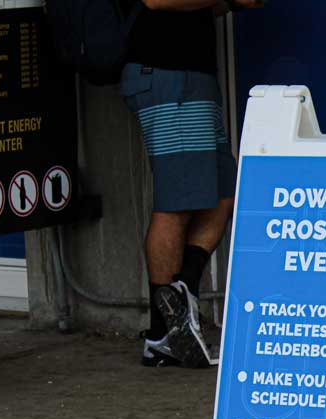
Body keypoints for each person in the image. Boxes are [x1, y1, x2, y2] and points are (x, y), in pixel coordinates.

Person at [120, 0, 260, 367]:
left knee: (224, 194)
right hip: (168, 75)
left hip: (191, 79)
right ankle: (161, 334)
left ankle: (179, 299)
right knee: (177, 203)